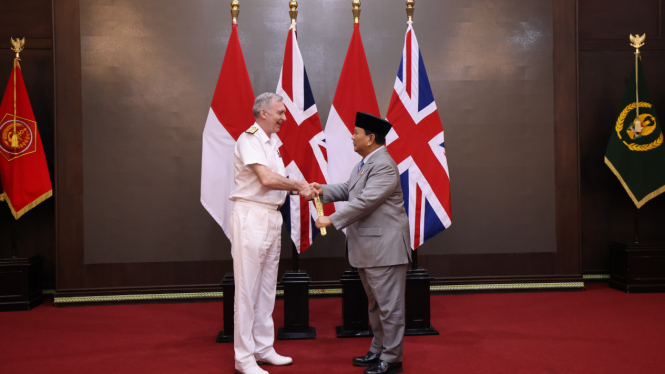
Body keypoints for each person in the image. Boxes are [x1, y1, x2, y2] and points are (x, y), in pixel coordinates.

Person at [313, 112, 411, 374]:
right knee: (376, 304)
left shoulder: (384, 165)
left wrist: (331, 219)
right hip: (370, 249)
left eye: (356, 133)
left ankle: (392, 360)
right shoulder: (364, 164)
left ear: (370, 138)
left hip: (385, 249)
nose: (352, 137)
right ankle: (378, 350)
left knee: (390, 308)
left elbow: (366, 201)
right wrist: (321, 189)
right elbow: (349, 189)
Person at [229, 92, 317, 374]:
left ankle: (263, 349)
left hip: (270, 217)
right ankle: (244, 359)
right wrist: (300, 185)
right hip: (251, 216)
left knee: (266, 289)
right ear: (263, 113)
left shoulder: (272, 143)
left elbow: (274, 179)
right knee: (247, 291)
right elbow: (266, 179)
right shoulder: (249, 138)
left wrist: (299, 186)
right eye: (280, 112)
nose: (284, 117)